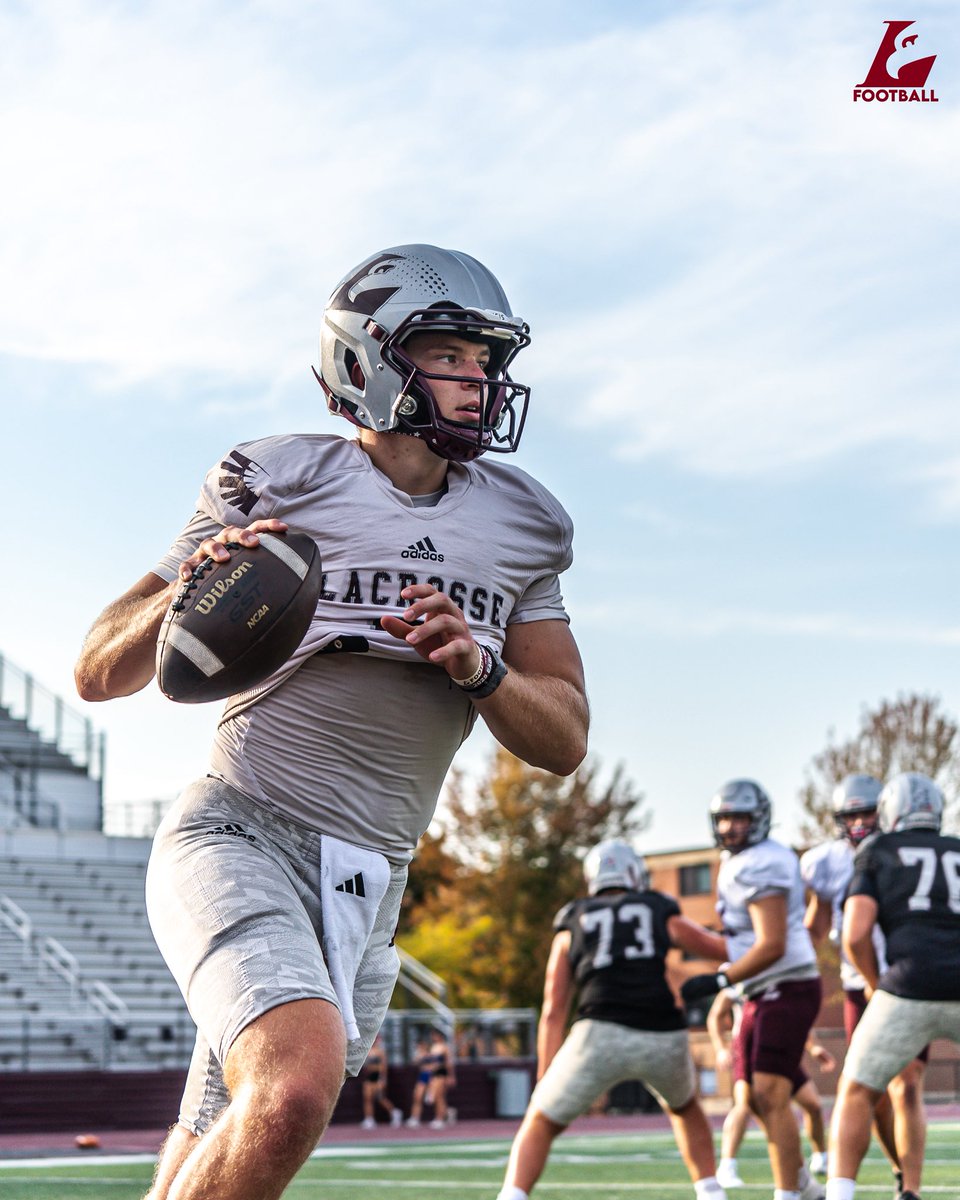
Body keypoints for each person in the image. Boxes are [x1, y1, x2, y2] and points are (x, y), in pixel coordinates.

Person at [74, 243, 590, 1200]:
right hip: (242, 827)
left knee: (216, 1135)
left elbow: (563, 740)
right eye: (453, 355)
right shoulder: (273, 478)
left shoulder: (526, 524)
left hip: (372, 877)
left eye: (488, 362)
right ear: (374, 359)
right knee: (293, 1085)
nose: (479, 382)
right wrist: (191, 584)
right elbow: (99, 669)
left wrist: (480, 667)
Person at [495, 839, 732, 1200]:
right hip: (662, 1032)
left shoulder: (573, 919)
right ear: (635, 873)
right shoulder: (657, 908)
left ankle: (512, 1195)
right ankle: (710, 1190)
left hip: (598, 1033)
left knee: (541, 1121)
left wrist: (545, 1076)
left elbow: (553, 1008)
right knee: (685, 1109)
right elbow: (718, 949)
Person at [680, 780, 824, 1200]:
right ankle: (802, 1184)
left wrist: (721, 979)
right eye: (723, 818)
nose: (729, 827)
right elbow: (745, 941)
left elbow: (772, 943)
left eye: (739, 818)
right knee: (756, 1098)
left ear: (758, 819)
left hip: (787, 982)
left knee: (768, 1092)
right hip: (763, 988)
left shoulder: (761, 862)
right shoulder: (738, 861)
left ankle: (789, 1193)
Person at [827, 773, 960, 1200]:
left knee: (857, 1090)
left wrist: (872, 984)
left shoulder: (878, 850)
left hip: (906, 984)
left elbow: (854, 934)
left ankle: (840, 1194)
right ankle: (911, 1189)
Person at [801, 774, 926, 1198]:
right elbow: (817, 925)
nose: (858, 822)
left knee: (905, 1083)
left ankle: (910, 1187)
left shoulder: (901, 853)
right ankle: (898, 1169)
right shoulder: (828, 861)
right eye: (850, 814)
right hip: (860, 984)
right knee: (869, 1091)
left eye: (867, 812)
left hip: (908, 982)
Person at [706, 986, 835, 1187]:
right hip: (749, 1045)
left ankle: (820, 1159)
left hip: (780, 1046)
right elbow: (716, 1015)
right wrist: (721, 1048)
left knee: (813, 1104)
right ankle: (727, 1166)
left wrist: (813, 1046)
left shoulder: (788, 978)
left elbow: (797, 1017)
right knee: (744, 1105)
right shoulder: (747, 973)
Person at [359, 1034, 402, 1130]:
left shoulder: (380, 1051)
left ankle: (394, 1112)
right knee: (367, 1098)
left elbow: (384, 1066)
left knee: (380, 1098)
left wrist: (383, 1079)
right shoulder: (367, 1051)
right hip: (368, 1077)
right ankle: (369, 1119)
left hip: (377, 1077)